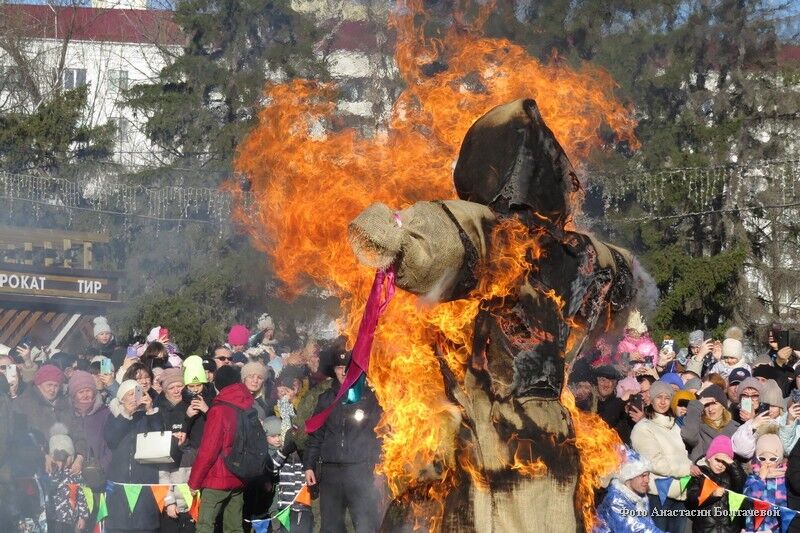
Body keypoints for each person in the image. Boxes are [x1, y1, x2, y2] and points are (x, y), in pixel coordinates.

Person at [303, 356, 383, 533]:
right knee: (331, 527)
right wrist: (309, 466)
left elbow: (379, 435)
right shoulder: (326, 398)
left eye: (347, 367)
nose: (343, 371)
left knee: (366, 525)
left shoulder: (369, 398)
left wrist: (379, 468)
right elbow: (316, 434)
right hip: (331, 473)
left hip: (360, 471)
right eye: (339, 367)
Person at [188, 366, 251, 533]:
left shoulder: (220, 409)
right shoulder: (246, 405)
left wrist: (194, 481)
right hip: (238, 476)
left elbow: (209, 450)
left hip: (217, 477)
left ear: (217, 384)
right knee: (235, 528)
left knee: (204, 527)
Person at [630, 379, 698, 533]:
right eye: (658, 397)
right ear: (651, 400)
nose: (663, 402)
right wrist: (688, 469)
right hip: (658, 497)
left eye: (667, 398)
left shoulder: (674, 426)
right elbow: (655, 463)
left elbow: (683, 456)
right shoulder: (643, 428)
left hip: (681, 495)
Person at [104, 379, 163, 532]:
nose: (134, 398)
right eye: (129, 394)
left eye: (137, 393)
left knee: (144, 526)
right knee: (119, 525)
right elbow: (111, 439)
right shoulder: (114, 416)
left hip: (145, 481)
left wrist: (150, 410)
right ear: (121, 399)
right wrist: (126, 414)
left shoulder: (147, 415)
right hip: (119, 483)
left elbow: (159, 436)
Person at [595, 447, 665, 533]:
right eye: (642, 475)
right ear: (628, 477)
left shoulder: (640, 497)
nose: (647, 480)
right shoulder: (615, 500)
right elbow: (637, 529)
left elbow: (648, 525)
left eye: (648, 475)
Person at [64, 370, 112, 496]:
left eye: (88, 390)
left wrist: (101, 467)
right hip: (71, 477)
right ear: (74, 395)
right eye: (81, 392)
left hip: (98, 476)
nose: (85, 395)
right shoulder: (66, 415)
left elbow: (112, 445)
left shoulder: (105, 413)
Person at [685, 435, 746, 533]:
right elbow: (691, 500)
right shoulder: (699, 474)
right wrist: (711, 495)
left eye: (725, 462)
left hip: (729, 529)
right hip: (705, 528)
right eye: (717, 460)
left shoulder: (732, 475)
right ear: (709, 458)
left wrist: (732, 464)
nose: (720, 465)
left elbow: (742, 484)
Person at [266, 418, 312, 532]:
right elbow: (270, 468)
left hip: (303, 504)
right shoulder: (282, 454)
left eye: (279, 435)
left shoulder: (306, 454)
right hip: (285, 506)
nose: (278, 439)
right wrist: (283, 452)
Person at [46, 425, 89, 533]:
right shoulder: (50, 473)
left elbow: (82, 496)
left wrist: (83, 517)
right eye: (57, 459)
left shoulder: (75, 474)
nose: (61, 464)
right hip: (53, 520)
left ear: (72, 456)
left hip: (71, 520)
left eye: (64, 459)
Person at [743, 431, 787, 532]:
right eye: (762, 458)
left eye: (772, 458)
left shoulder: (784, 477)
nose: (767, 461)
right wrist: (761, 478)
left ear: (779, 458)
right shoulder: (753, 476)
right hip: (756, 528)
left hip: (778, 528)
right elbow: (749, 498)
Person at [681, 385, 739, 461]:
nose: (710, 409)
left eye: (714, 403)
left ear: (723, 406)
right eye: (706, 405)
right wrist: (696, 405)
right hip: (702, 470)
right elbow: (689, 437)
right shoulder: (697, 426)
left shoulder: (735, 428)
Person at [13, 364, 69, 439]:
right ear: (39, 384)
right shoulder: (23, 404)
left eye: (56, 386)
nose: (52, 389)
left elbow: (75, 430)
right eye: (49, 385)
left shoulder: (65, 403)